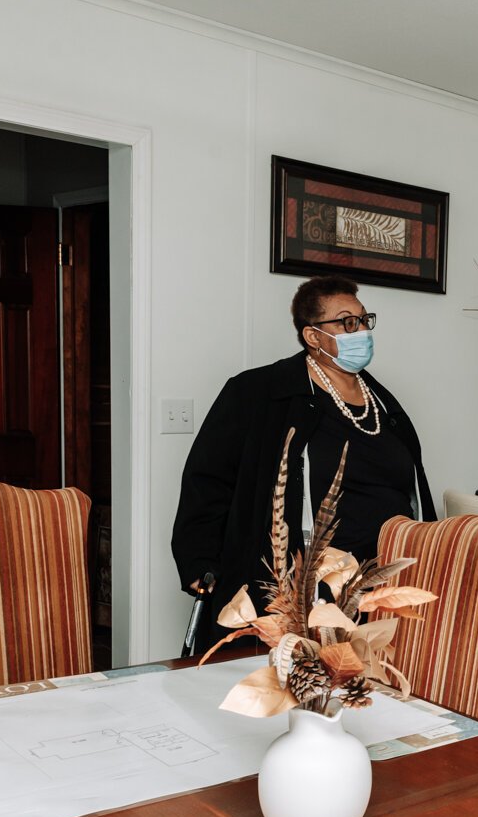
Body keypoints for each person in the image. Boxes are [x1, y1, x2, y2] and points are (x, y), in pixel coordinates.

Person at [172, 275, 437, 653]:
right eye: (346, 322)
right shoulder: (259, 393)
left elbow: (410, 486)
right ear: (312, 336)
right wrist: (199, 561)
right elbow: (208, 479)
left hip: (379, 587)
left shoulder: (383, 403)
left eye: (363, 320)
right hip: (302, 591)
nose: (359, 330)